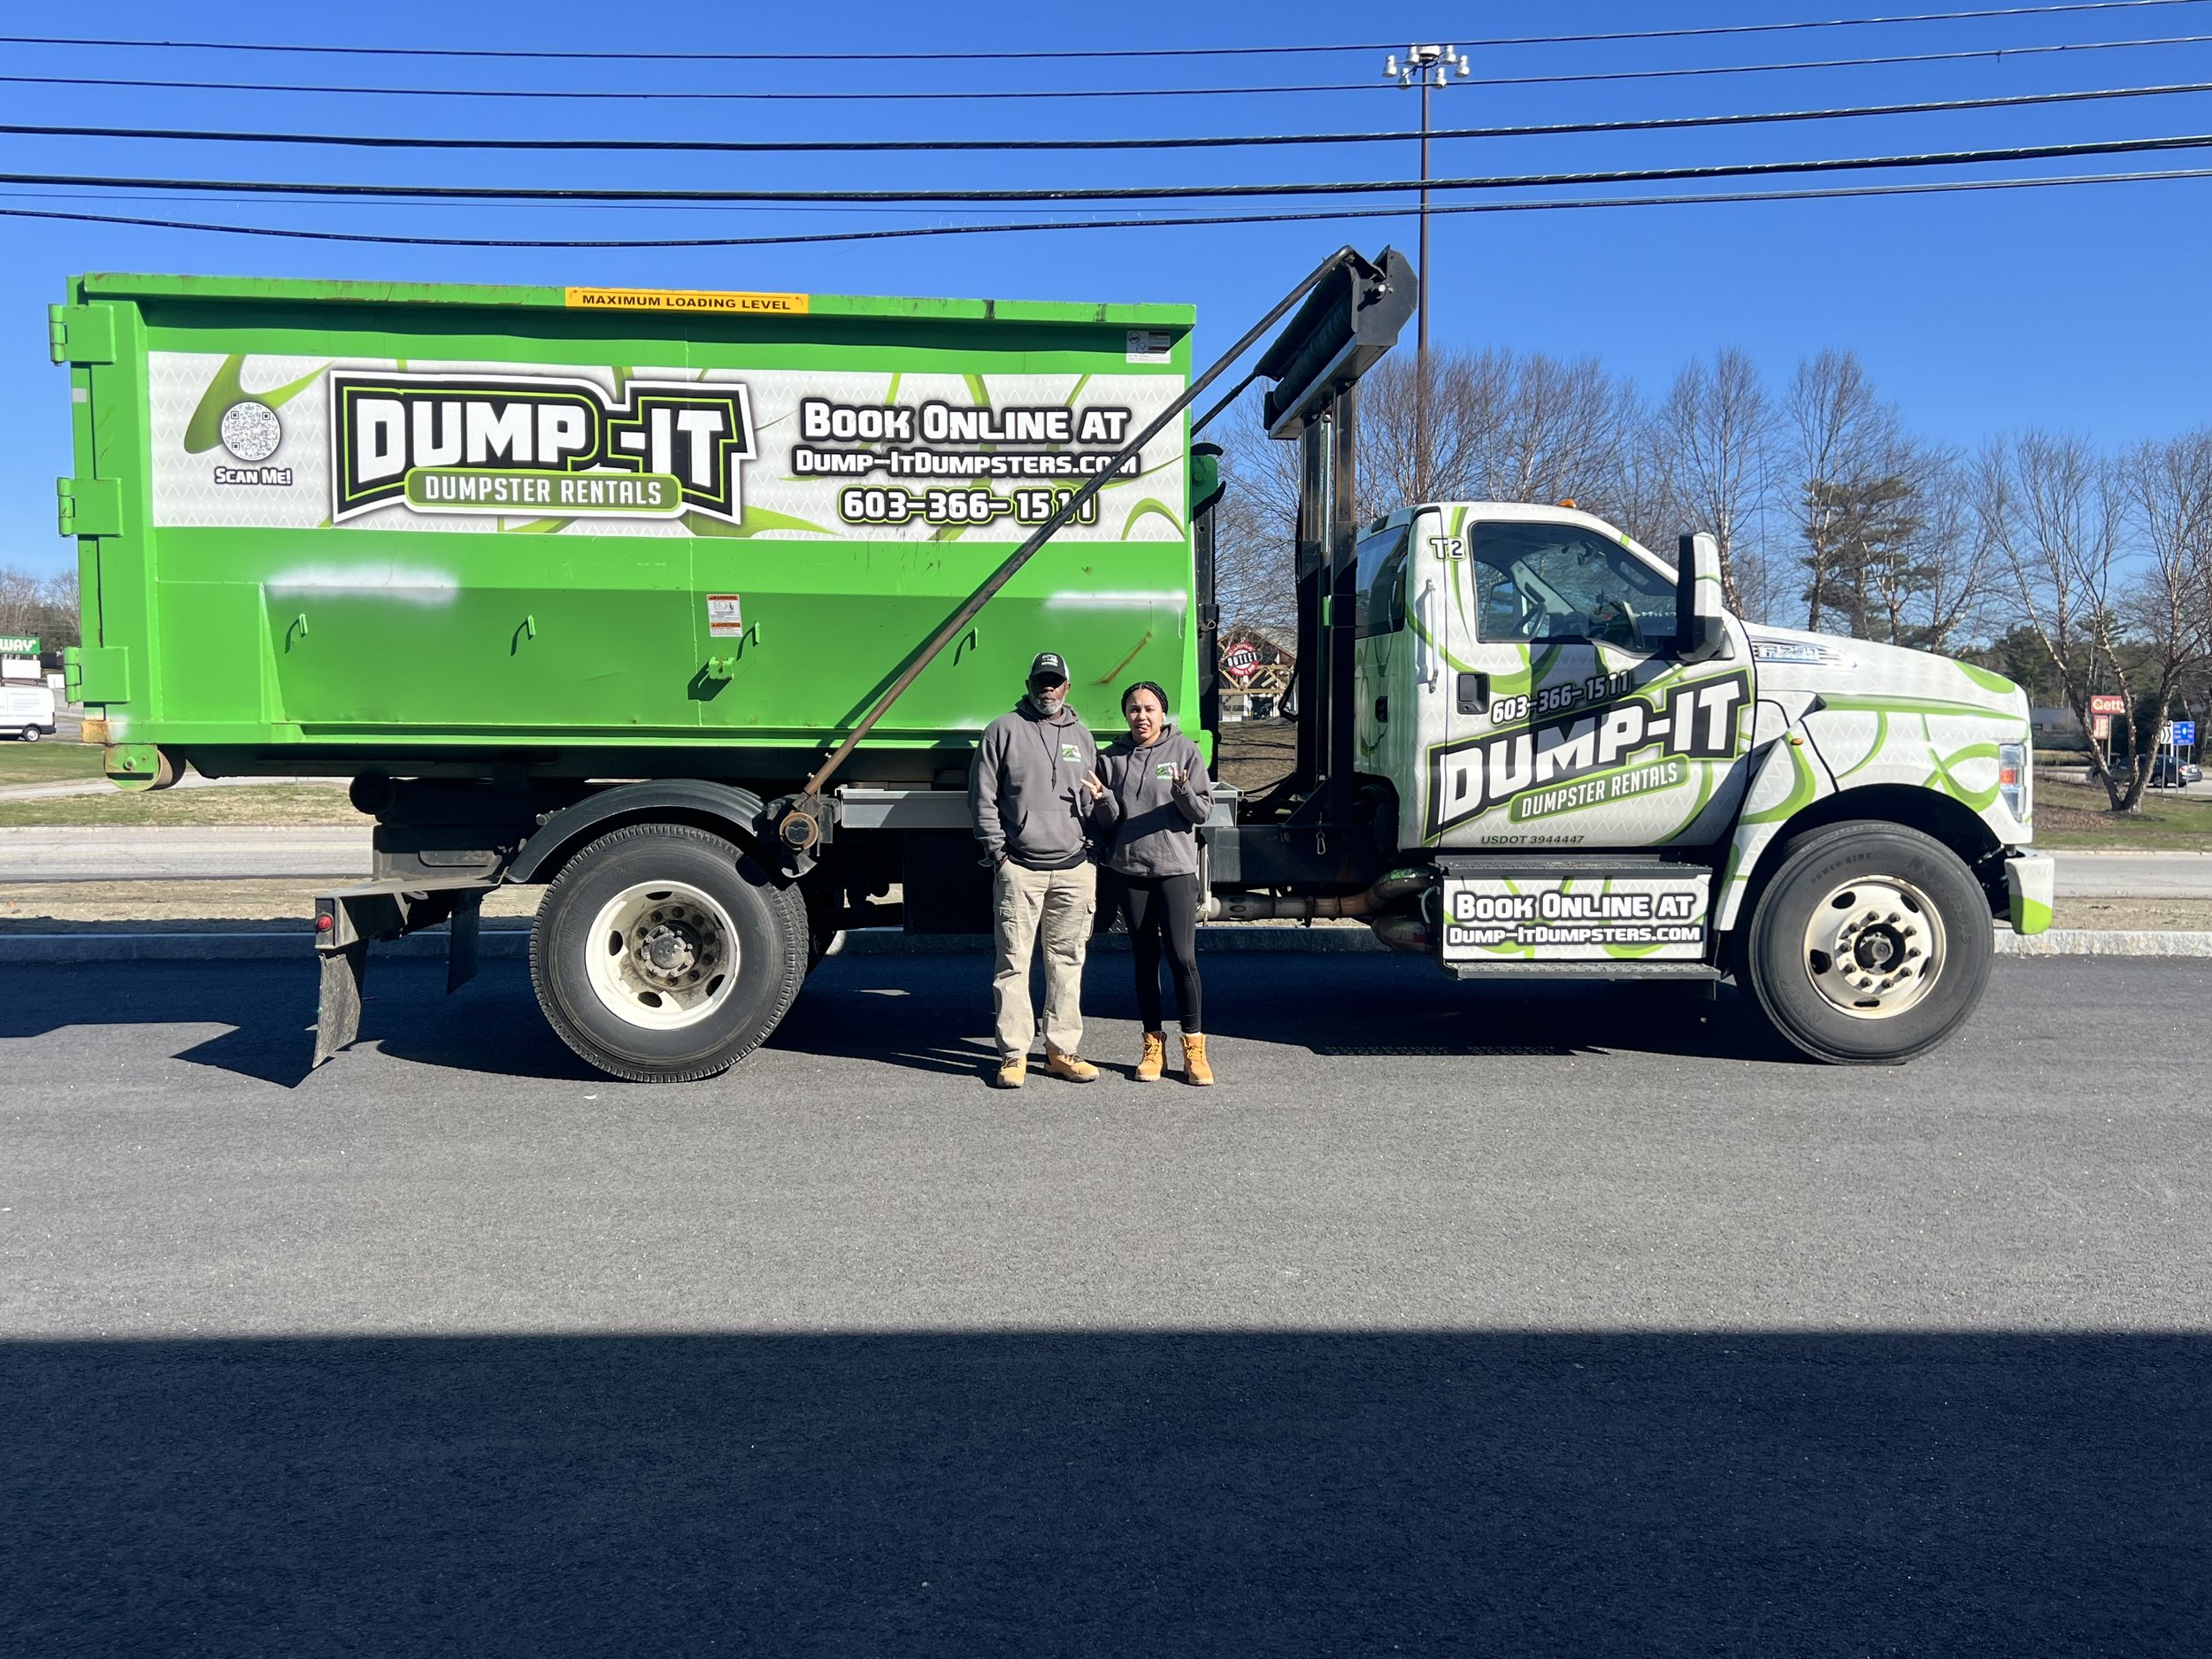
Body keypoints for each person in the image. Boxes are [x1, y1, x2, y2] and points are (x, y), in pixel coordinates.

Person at [970, 651, 1114, 1089]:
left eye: (1054, 682)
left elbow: (1092, 802)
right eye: (1040, 681)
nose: (1047, 689)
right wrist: (1000, 854)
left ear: (1067, 687)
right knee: (1013, 963)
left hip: (1074, 869)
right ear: (1029, 684)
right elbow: (982, 798)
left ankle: (1060, 1051)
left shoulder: (1082, 737)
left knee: (1067, 961)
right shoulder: (1002, 731)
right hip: (1021, 869)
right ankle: (1014, 1054)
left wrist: (1092, 846)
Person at [1094, 680, 1216, 1086]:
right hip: (1131, 872)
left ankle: (1194, 1049)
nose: (1141, 716)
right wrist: (1102, 801)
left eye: (1148, 709)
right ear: (1125, 714)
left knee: (1182, 959)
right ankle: (1152, 1046)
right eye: (1133, 709)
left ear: (1162, 714)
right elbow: (1109, 821)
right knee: (1144, 962)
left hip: (1176, 871)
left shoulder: (1184, 751)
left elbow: (1200, 812)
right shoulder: (1110, 758)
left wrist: (1181, 789)